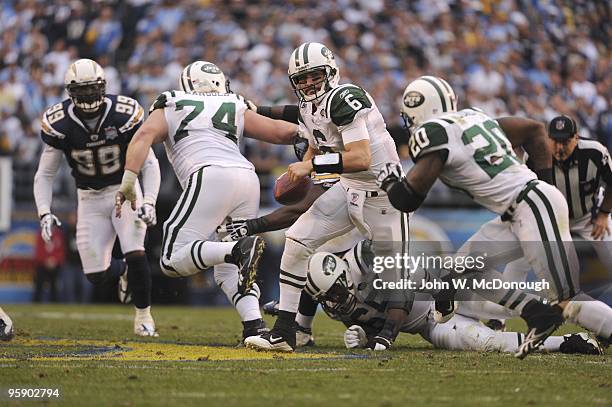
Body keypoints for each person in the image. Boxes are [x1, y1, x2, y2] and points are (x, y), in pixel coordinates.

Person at [377, 76, 612, 358]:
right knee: (457, 272)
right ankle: (533, 312)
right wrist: (546, 182)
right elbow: (534, 130)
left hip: (531, 205)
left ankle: (559, 317)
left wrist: (389, 181)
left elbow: (408, 198)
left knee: (564, 299)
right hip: (517, 212)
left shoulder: (434, 133)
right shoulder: (473, 117)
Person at [115, 61, 299, 340]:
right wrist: (312, 134)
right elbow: (279, 132)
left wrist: (129, 180)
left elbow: (143, 135)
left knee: (170, 259)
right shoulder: (233, 102)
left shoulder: (173, 101)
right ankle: (254, 325)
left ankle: (237, 250)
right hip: (246, 179)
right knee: (228, 271)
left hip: (209, 176)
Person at [245, 42, 409, 352]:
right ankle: (284, 332)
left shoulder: (345, 98)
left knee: (393, 274)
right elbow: (316, 143)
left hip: (385, 196)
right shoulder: (308, 107)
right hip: (349, 188)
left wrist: (309, 166)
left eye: (314, 75)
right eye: (301, 79)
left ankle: (386, 335)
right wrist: (306, 169)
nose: (308, 83)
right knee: (298, 240)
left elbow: (360, 157)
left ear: (330, 72)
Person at [33, 58, 161, 336]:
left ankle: (143, 316)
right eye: (83, 90)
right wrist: (44, 211)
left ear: (103, 86)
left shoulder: (124, 113)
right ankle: (124, 270)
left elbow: (149, 162)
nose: (89, 95)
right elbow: (44, 174)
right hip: (88, 198)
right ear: (70, 92)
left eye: (94, 88)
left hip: (124, 191)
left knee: (136, 251)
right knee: (95, 275)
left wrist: (149, 199)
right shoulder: (60, 122)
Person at [299, 243, 602, 355]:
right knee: (486, 344)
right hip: (431, 325)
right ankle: (569, 342)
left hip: (447, 288)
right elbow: (309, 295)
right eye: (328, 297)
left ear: (344, 276)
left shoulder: (367, 258)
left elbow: (402, 292)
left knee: (521, 301)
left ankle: (597, 318)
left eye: (336, 292)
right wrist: (366, 336)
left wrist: (386, 336)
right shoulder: (334, 302)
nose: (335, 302)